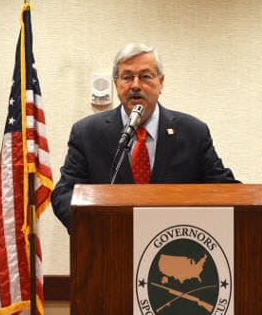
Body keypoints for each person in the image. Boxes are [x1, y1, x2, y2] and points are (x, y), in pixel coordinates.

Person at [52, 43, 240, 230]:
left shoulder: (192, 132)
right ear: (116, 83)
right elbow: (64, 194)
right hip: (110, 246)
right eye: (127, 77)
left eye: (145, 77)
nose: (135, 85)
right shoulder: (88, 133)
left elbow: (223, 188)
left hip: (175, 245)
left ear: (161, 83)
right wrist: (95, 227)